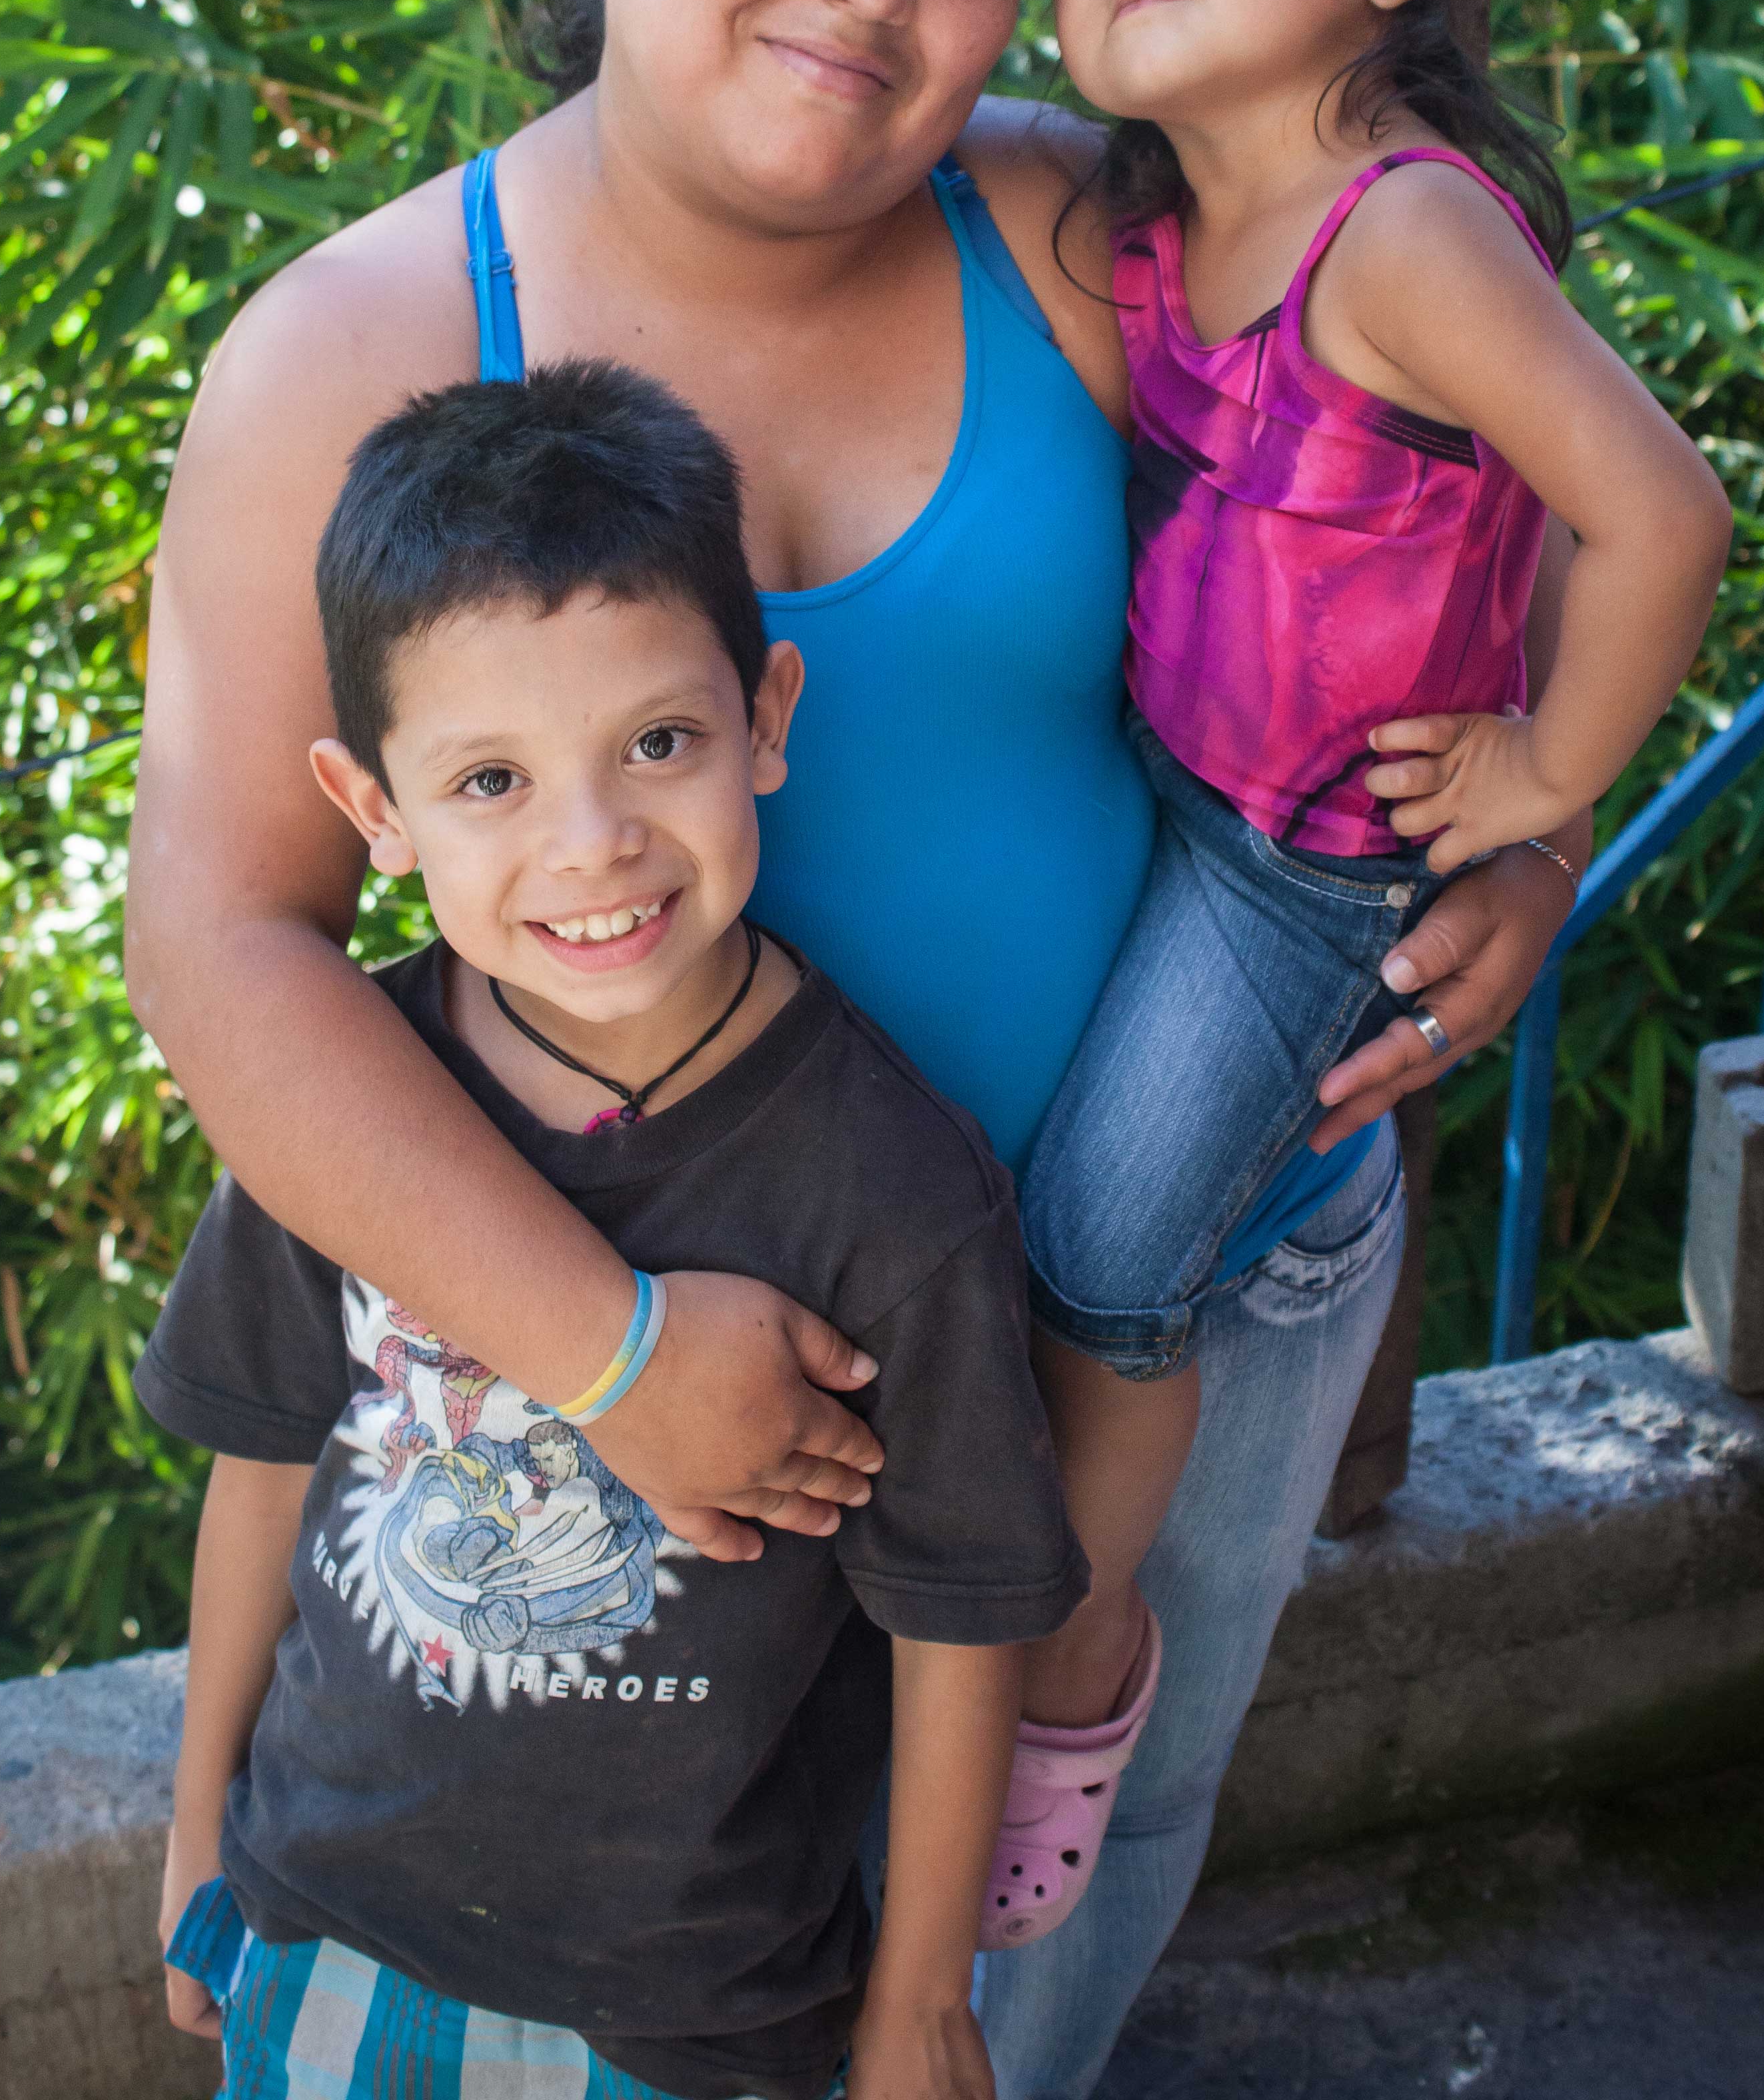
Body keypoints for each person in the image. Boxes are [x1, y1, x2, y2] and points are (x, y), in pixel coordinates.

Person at [125, 0, 1589, 2097]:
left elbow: (1471, 456)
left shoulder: (1075, 240)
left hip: (1186, 1303)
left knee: (1060, 1927)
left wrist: (1526, 832)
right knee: (705, 1995)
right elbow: (225, 938)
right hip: (704, 1395)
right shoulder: (359, 347)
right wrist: (606, 1358)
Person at [976, 0, 1733, 1947]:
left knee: (1110, 1253)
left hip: (1307, 855)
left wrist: (1540, 788)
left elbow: (1660, 513)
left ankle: (1079, 1648)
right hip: (1166, 793)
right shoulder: (1147, 223)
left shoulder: (1396, 236)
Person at [145, 358, 1086, 2100]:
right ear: (375, 810)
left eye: (659, 743)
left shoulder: (893, 1192)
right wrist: (200, 1825)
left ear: (767, 714)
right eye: (489, 781)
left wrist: (920, 2001)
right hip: (325, 1920)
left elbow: (961, 1619)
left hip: (693, 2010)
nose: (593, 848)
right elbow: (264, 1464)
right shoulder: (350, 1100)